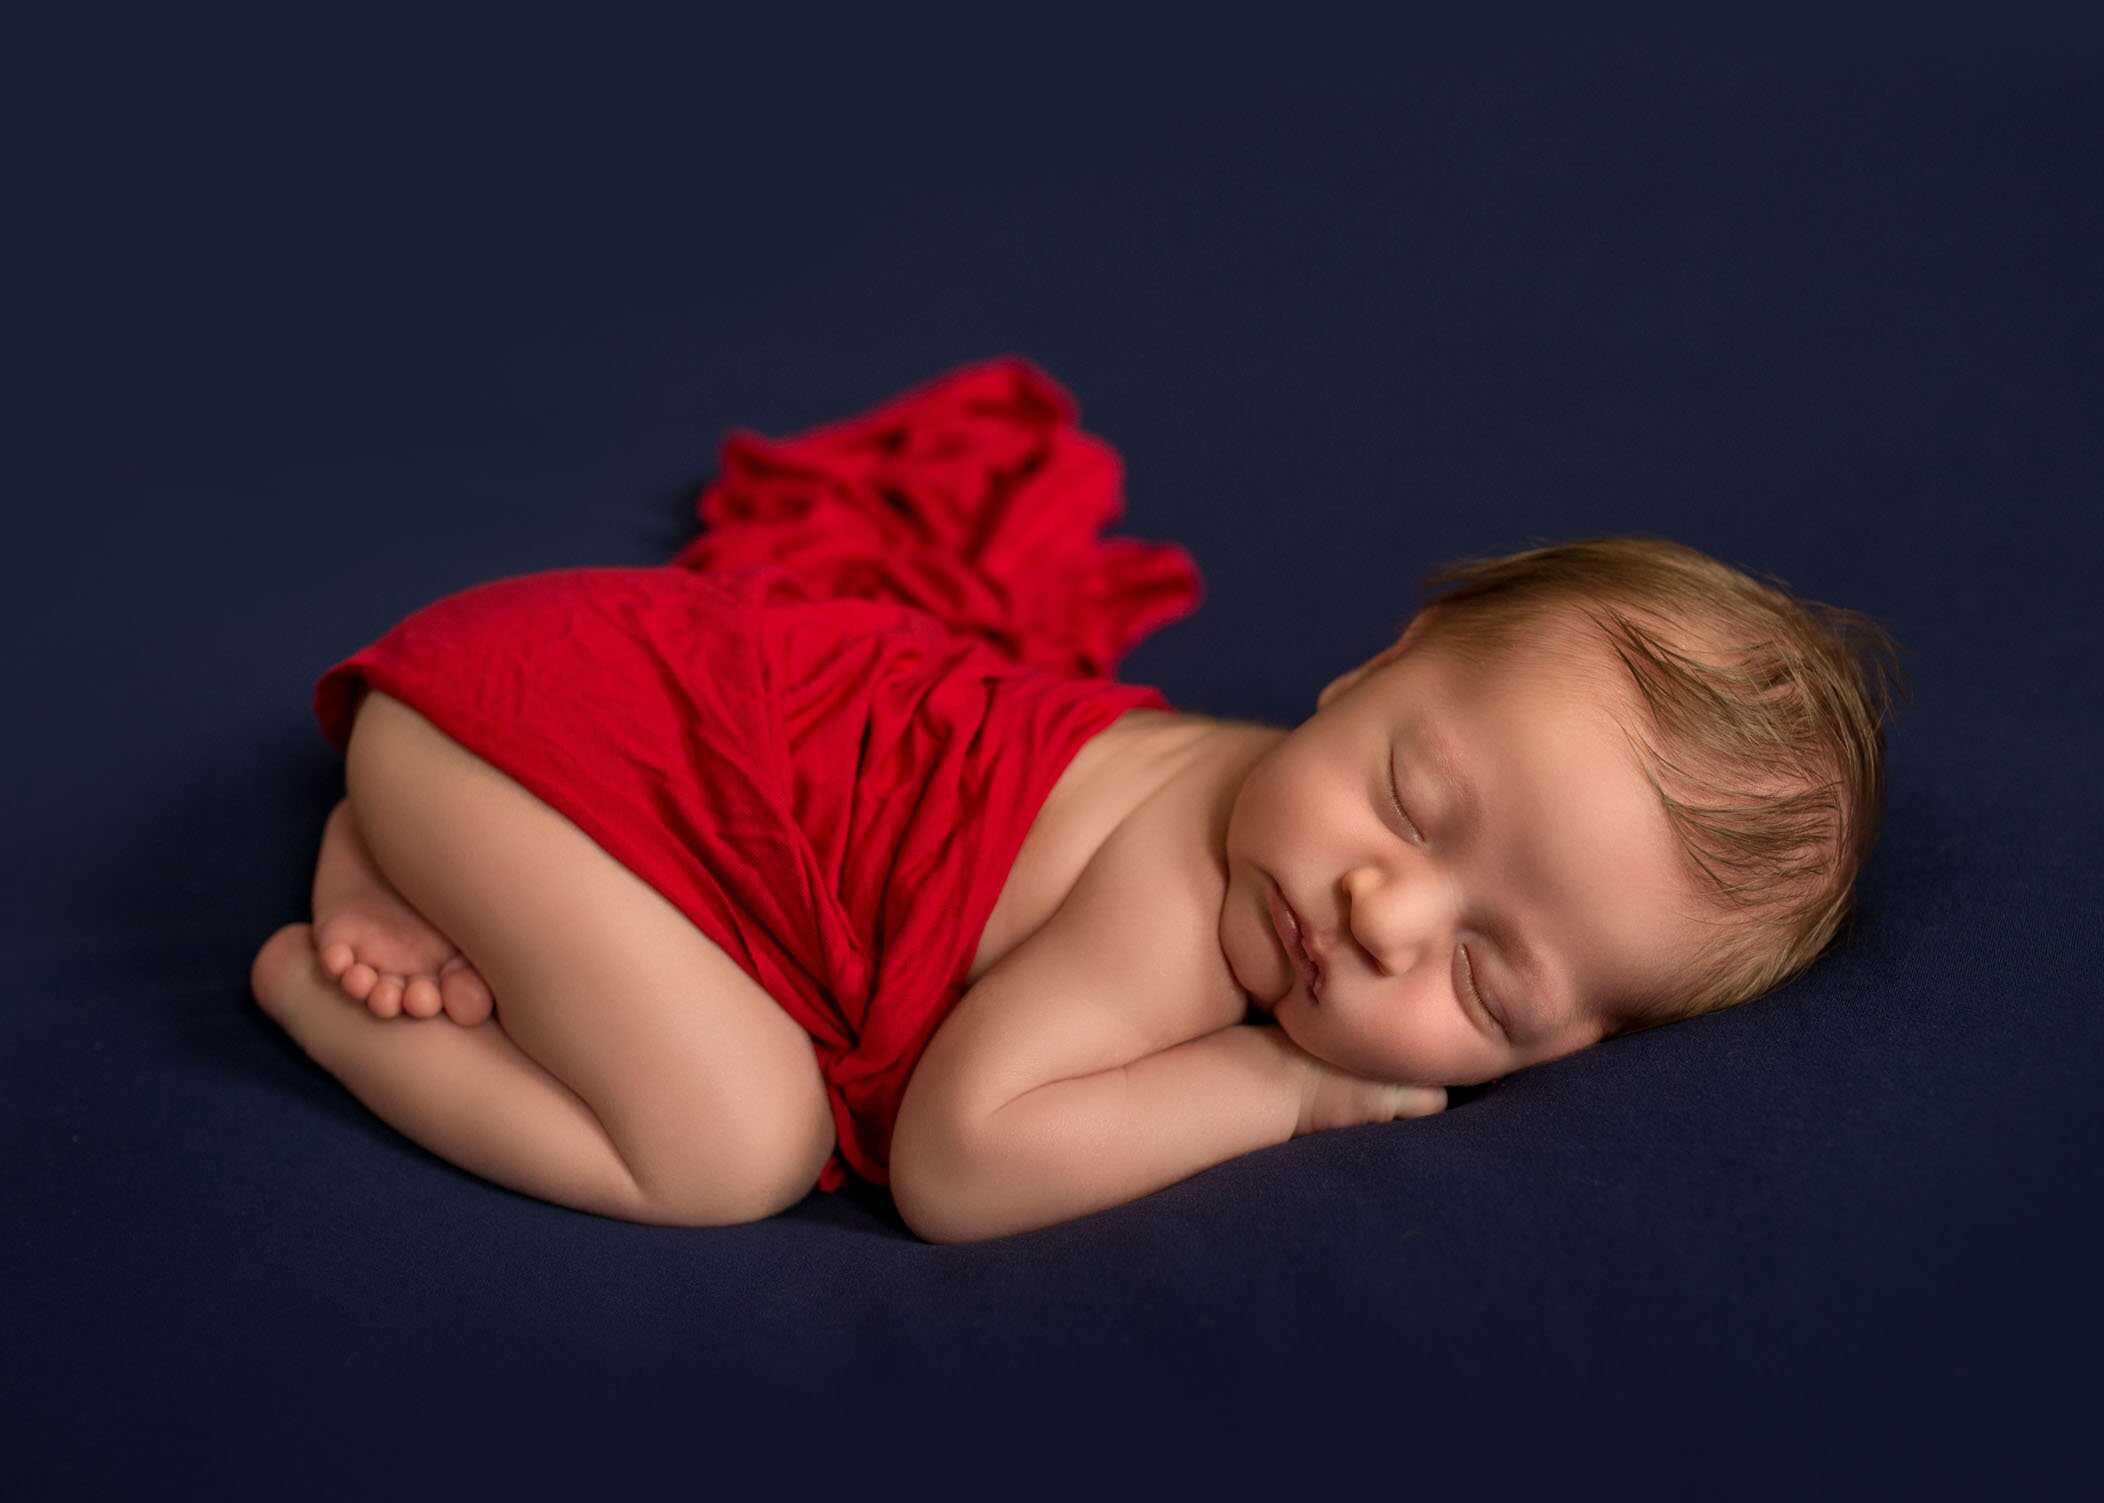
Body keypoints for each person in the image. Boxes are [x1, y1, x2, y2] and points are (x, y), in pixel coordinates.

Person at [247, 358, 1905, 1242]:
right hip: (543, 719)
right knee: (730, 1149)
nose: (1381, 913)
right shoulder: (1180, 902)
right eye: (1410, 800)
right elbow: (961, 1166)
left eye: (1485, 979)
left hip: (534, 740)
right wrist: (1284, 1091)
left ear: (1573, 1053)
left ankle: (417, 844)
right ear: (1366, 672)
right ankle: (323, 981)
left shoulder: (1262, 817)